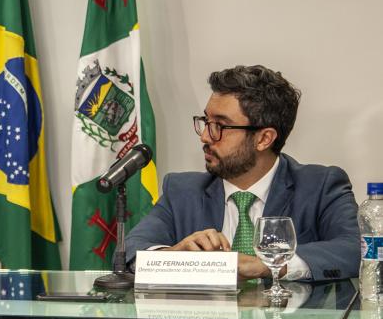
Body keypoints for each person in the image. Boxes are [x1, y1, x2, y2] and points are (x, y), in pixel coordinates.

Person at [125, 65, 359, 280]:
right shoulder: (182, 190)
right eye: (206, 121)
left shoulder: (320, 186)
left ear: (264, 138)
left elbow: (355, 249)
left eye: (220, 126)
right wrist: (175, 256)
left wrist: (265, 265)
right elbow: (132, 248)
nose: (205, 136)